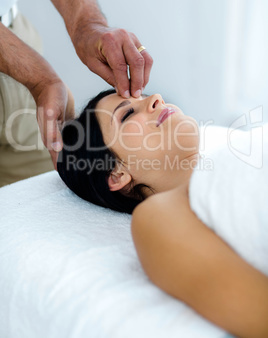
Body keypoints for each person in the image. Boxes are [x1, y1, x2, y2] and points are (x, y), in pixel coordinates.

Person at [57, 88, 268, 338]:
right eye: (127, 114)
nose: (156, 97)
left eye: (144, 95)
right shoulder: (158, 215)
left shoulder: (240, 149)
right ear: (116, 174)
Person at [0, 0, 153, 186]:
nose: (157, 98)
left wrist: (87, 24)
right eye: (125, 116)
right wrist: (40, 79)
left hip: (16, 44)